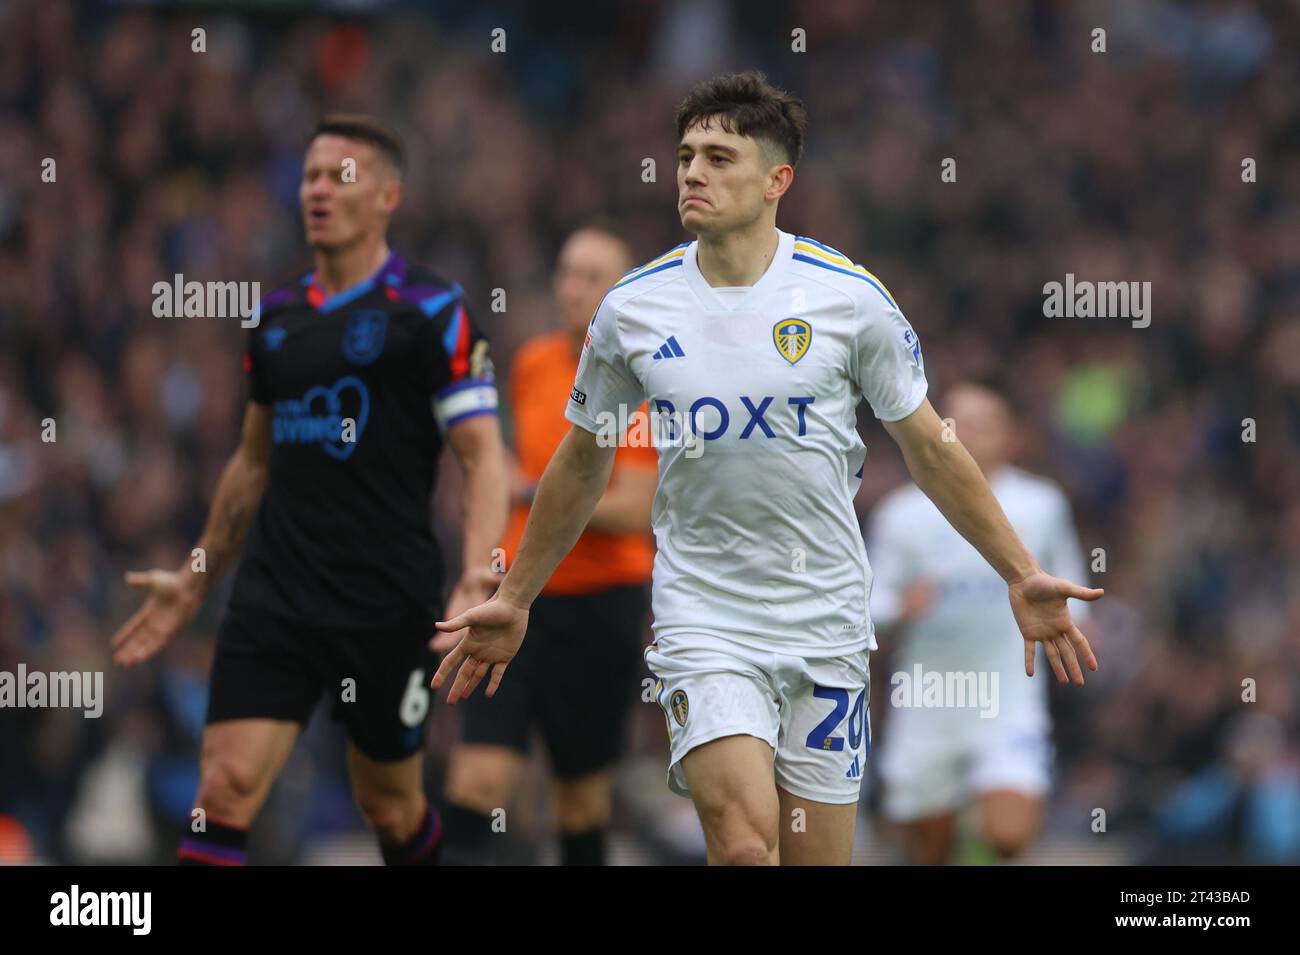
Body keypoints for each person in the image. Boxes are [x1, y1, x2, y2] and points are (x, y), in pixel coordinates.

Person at [432, 71, 1100, 866]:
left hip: (824, 619)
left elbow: (930, 447)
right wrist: (516, 595)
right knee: (747, 844)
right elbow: (582, 463)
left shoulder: (850, 300)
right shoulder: (634, 310)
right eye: (685, 156)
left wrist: (1020, 572)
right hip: (703, 616)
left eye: (719, 157)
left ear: (778, 179)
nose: (692, 172)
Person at [110, 114, 508, 866]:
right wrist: (197, 578)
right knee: (223, 788)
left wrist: (478, 572)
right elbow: (251, 463)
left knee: (389, 806)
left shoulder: (431, 310)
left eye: (340, 176)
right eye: (310, 175)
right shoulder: (276, 317)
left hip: (386, 598)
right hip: (275, 594)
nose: (318, 189)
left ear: (388, 195)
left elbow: (483, 455)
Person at [438, 226, 657, 866]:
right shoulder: (534, 362)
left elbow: (635, 507)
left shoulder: (639, 378)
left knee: (579, 803)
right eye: (567, 272)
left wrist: (529, 491)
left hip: (599, 606)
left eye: (593, 277)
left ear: (622, 294)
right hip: (518, 599)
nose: (572, 288)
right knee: (478, 780)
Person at [869, 380, 1092, 864]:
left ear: (1012, 436)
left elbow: (1071, 589)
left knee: (1008, 835)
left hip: (1008, 695)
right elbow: (867, 607)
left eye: (980, 424)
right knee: (927, 848)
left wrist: (1074, 623)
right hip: (927, 701)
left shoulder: (1041, 505)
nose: (963, 433)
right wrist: (898, 607)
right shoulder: (901, 514)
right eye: (953, 422)